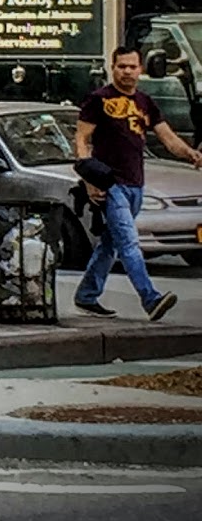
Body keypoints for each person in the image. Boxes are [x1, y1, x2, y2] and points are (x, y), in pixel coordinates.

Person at [72, 45, 202, 322]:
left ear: (140, 70)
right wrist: (88, 178)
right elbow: (81, 140)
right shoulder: (98, 100)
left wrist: (191, 154)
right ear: (112, 67)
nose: (127, 72)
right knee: (130, 242)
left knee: (111, 243)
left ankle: (86, 295)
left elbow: (167, 138)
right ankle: (150, 298)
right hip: (111, 184)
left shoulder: (145, 102)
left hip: (136, 185)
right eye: (122, 66)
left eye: (132, 66)